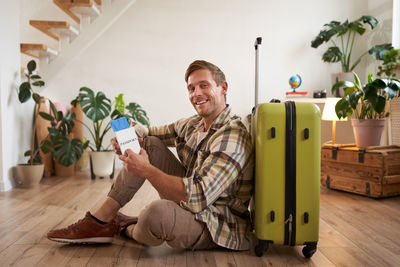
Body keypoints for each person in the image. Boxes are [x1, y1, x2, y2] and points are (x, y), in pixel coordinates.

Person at [47, 60, 254, 251]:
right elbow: (149, 133)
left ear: (223, 88)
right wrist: (129, 138)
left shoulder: (231, 135)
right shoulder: (193, 124)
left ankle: (123, 227)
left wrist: (146, 170)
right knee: (150, 144)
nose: (196, 93)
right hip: (191, 204)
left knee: (157, 214)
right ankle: (101, 220)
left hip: (217, 223)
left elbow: (198, 196)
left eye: (204, 85)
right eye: (191, 88)